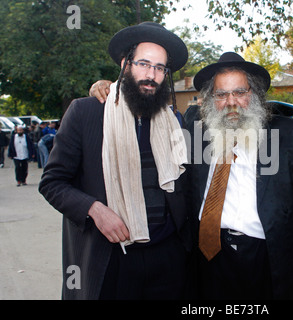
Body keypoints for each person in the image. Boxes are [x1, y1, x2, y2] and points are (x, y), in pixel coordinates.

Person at [39, 22, 193, 300]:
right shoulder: (85, 113)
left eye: (160, 68)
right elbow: (52, 182)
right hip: (111, 256)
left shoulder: (173, 121)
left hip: (168, 257)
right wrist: (95, 209)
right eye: (143, 64)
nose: (151, 75)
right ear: (125, 64)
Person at [188, 52, 293, 299]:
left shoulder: (288, 134)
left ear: (255, 94)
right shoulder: (196, 133)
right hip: (209, 255)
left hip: (267, 255)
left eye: (240, 92)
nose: (231, 102)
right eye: (221, 94)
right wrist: (109, 90)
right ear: (210, 100)